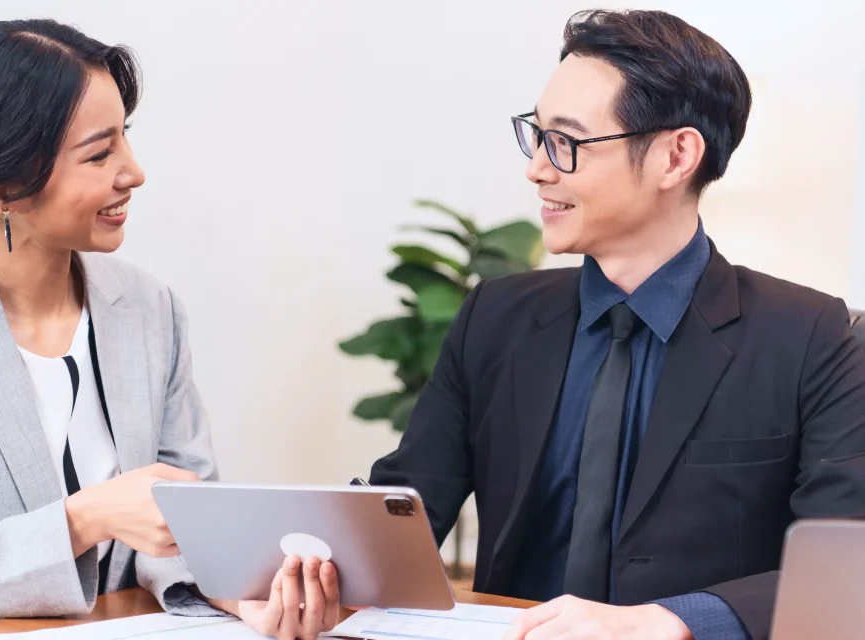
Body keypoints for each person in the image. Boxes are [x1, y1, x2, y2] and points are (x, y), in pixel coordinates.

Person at [0, 20, 338, 640]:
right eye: (99, 153)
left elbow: (183, 521)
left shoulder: (150, 309)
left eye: (126, 139)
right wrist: (84, 519)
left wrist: (229, 593)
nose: (134, 172)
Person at [370, 9, 865, 640]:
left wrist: (672, 622)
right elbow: (404, 507)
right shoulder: (494, 317)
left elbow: (850, 564)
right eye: (537, 135)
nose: (537, 169)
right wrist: (308, 568)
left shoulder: (811, 336)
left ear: (676, 156)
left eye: (566, 141)